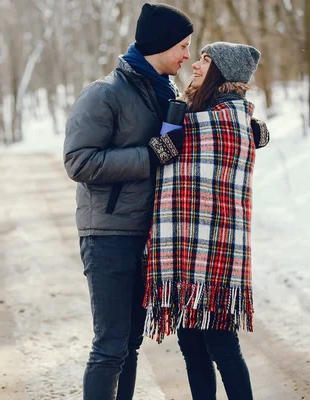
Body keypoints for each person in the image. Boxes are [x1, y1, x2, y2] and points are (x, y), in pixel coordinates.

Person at [63, 3, 194, 399]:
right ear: (161, 45)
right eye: (183, 46)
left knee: (129, 345)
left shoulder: (164, 92)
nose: (187, 55)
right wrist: (150, 154)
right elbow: (78, 161)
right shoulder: (104, 93)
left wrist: (246, 126)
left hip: (148, 233)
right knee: (109, 346)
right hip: (108, 233)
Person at [143, 42, 269, 400]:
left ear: (221, 72)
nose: (196, 65)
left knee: (222, 345)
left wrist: (168, 136)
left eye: (205, 60)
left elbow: (170, 148)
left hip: (216, 249)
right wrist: (170, 130)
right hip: (184, 246)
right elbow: (169, 148)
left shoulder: (229, 119)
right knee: (190, 344)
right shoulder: (196, 109)